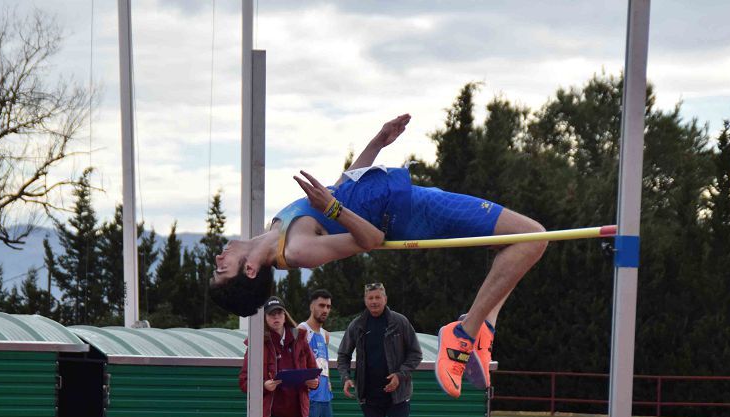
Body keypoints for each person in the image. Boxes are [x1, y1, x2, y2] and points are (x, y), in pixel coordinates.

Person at [209, 113, 547, 399]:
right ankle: (465, 332)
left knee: (514, 245)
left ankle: (484, 326)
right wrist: (333, 207)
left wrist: (378, 142)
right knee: (533, 237)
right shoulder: (297, 250)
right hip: (412, 212)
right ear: (250, 270)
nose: (218, 261)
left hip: (406, 196)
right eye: (222, 272)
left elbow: (343, 189)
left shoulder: (277, 226)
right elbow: (370, 239)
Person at [337, 283, 423, 417]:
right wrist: (346, 378)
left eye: (377, 297)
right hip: (369, 395)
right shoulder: (357, 325)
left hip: (398, 394)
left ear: (385, 298)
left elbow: (415, 354)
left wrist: (400, 375)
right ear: (365, 300)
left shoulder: (400, 322)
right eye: (370, 298)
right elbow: (343, 355)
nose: (374, 302)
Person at [298, 289, 334, 417]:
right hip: (309, 396)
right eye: (321, 305)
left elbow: (323, 361)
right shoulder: (302, 330)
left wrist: (328, 381)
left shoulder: (326, 335)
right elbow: (295, 362)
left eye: (328, 306)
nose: (325, 310)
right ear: (312, 306)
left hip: (324, 397)